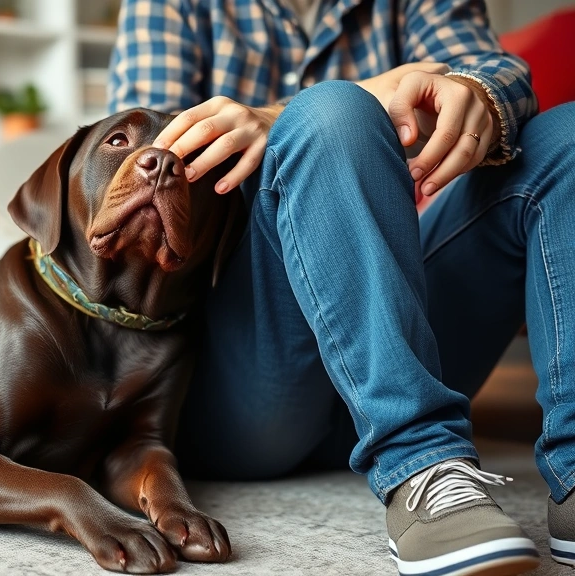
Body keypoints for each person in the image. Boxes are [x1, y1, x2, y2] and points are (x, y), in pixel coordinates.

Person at [108, 1, 575, 575]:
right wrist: (305, 113)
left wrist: (475, 92)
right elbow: (136, 159)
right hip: (253, 385)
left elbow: (492, 70)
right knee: (330, 114)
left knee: (567, 137)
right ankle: (420, 464)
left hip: (405, 334)